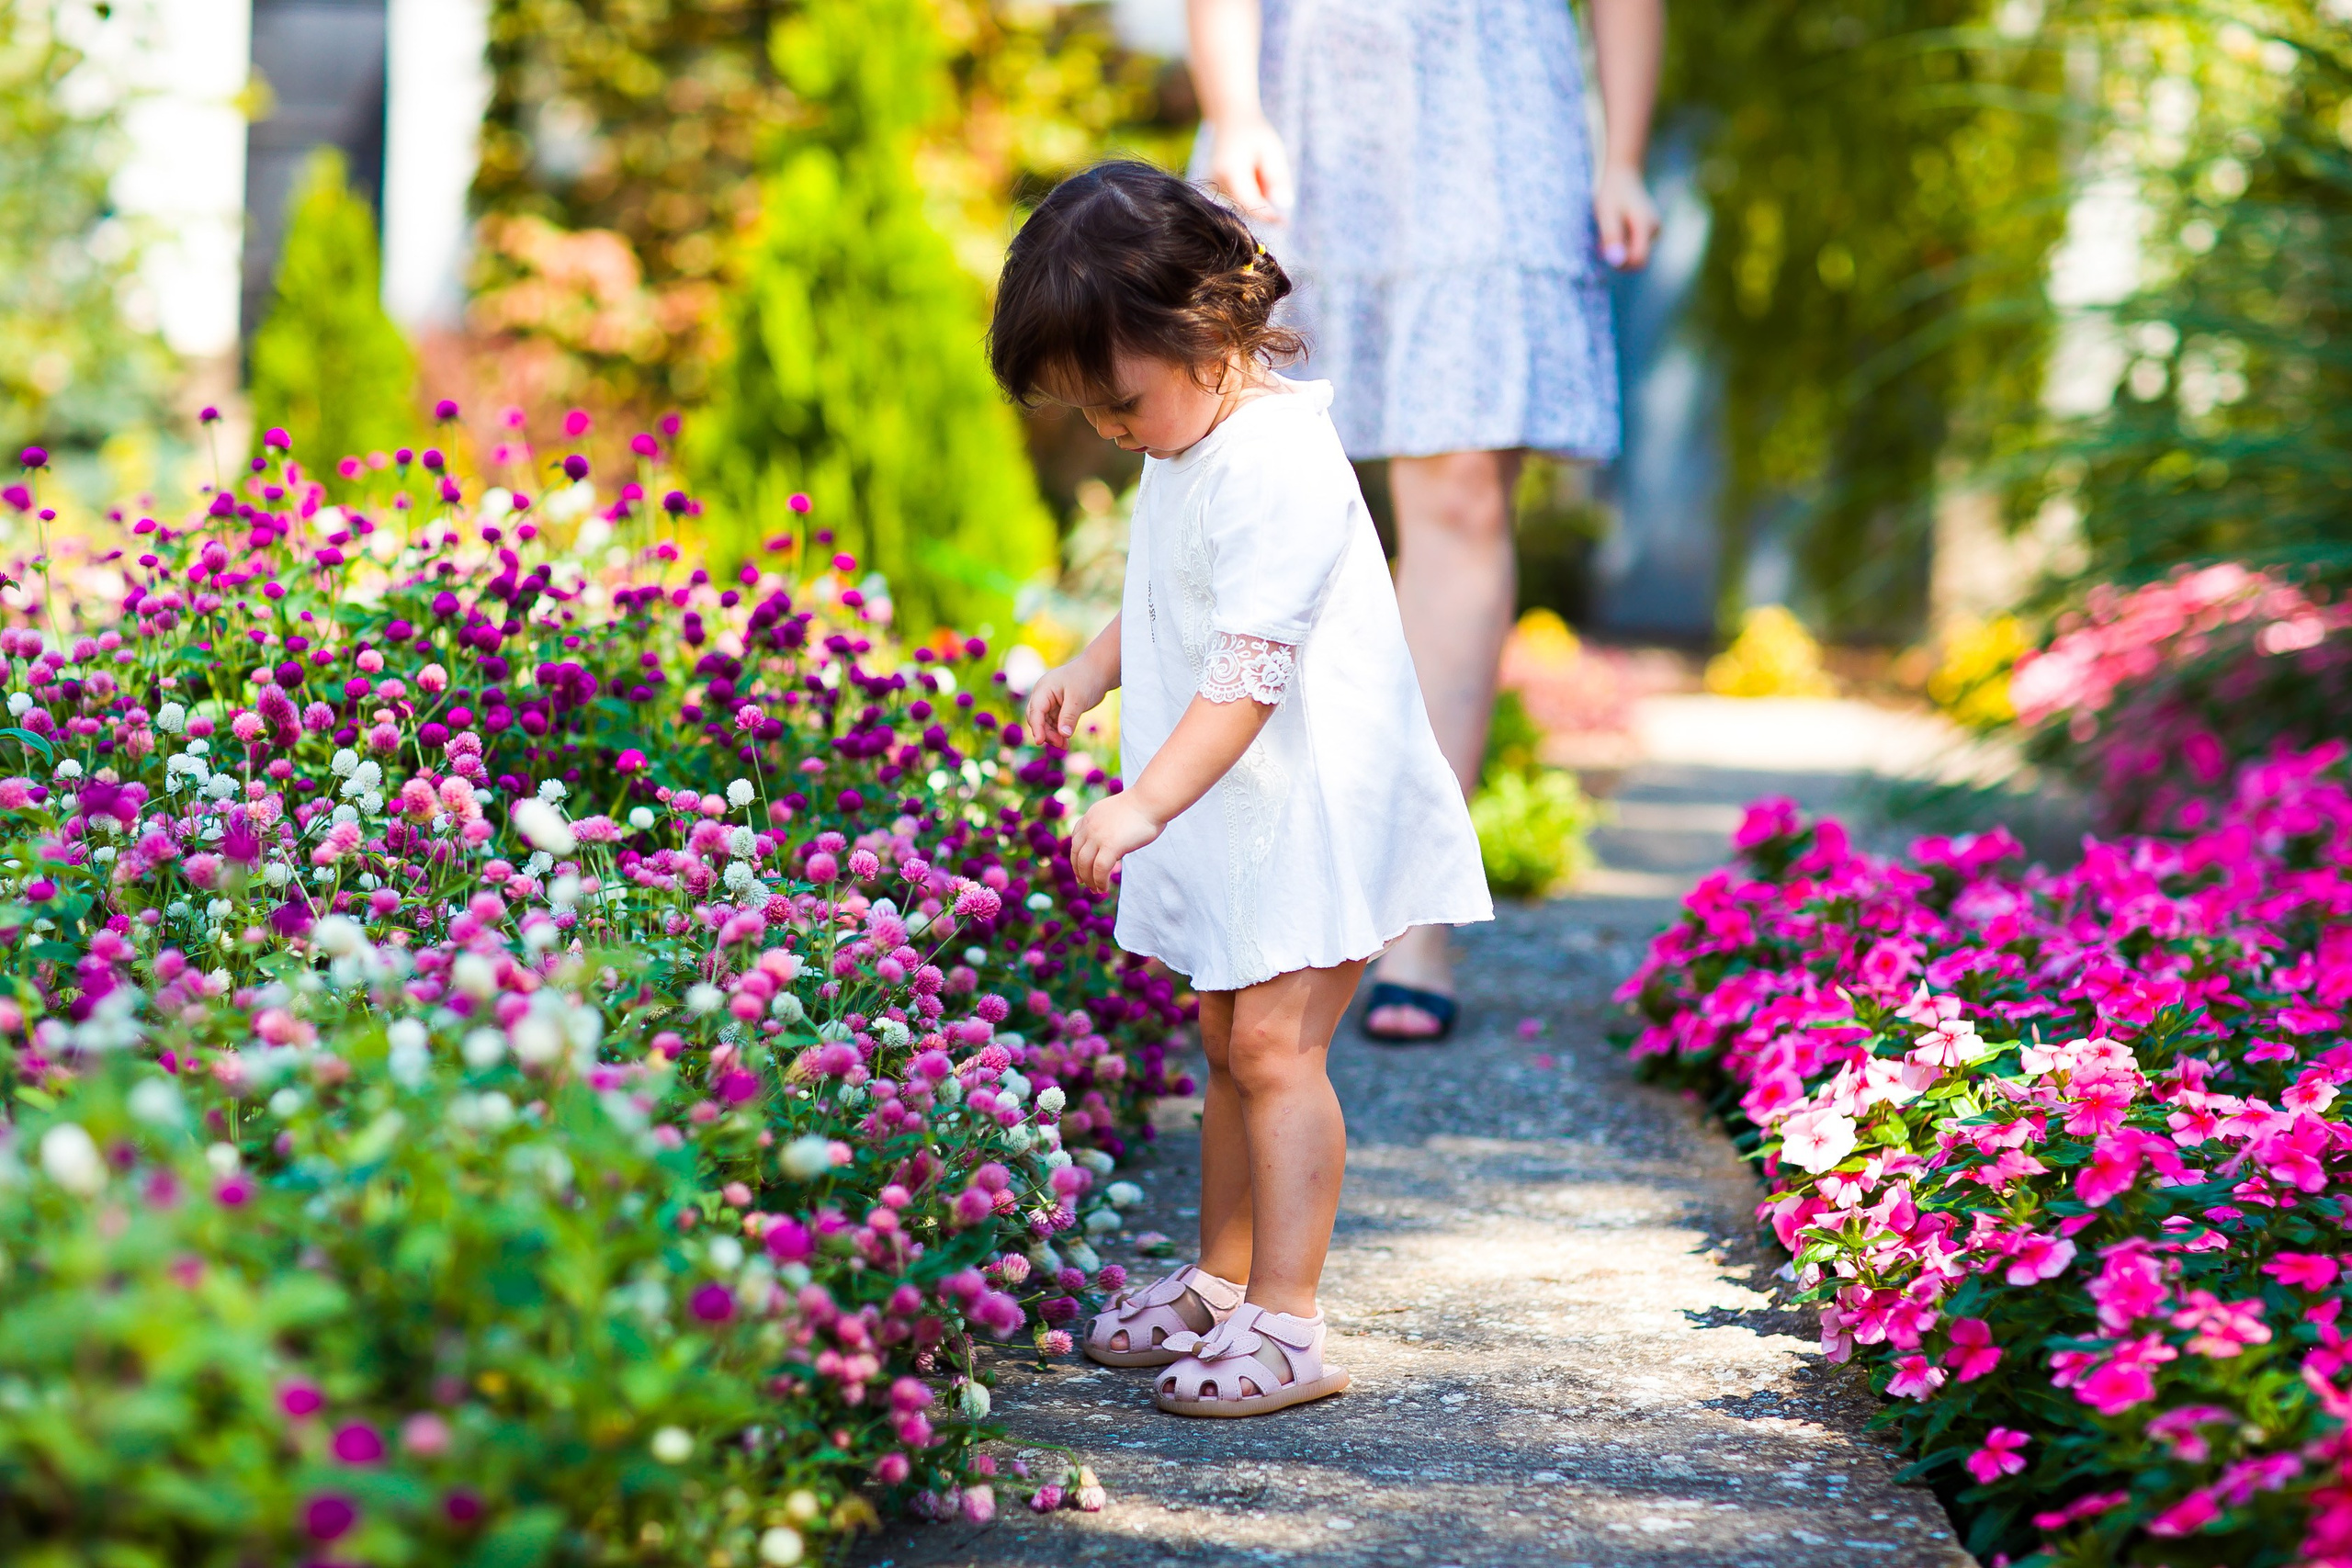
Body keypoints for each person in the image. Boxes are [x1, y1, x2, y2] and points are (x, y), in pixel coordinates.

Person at [989, 162, 1490, 1416]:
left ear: (1206, 331)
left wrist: (1146, 800)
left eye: (1120, 403)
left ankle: (1292, 1321)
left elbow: (1249, 673)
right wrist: (1093, 665)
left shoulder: (1277, 461)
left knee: (1276, 1047)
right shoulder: (1193, 434)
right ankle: (1223, 1279)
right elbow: (1167, 584)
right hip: (1248, 811)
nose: (1112, 431)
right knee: (1225, 1038)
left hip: (1312, 807)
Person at [1188, 0, 1663, 1042]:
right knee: (1251, 463)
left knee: (1460, 491)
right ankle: (1254, 884)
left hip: (1494, 107)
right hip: (1307, 91)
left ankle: (1412, 910)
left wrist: (1620, 151)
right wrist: (1232, 106)